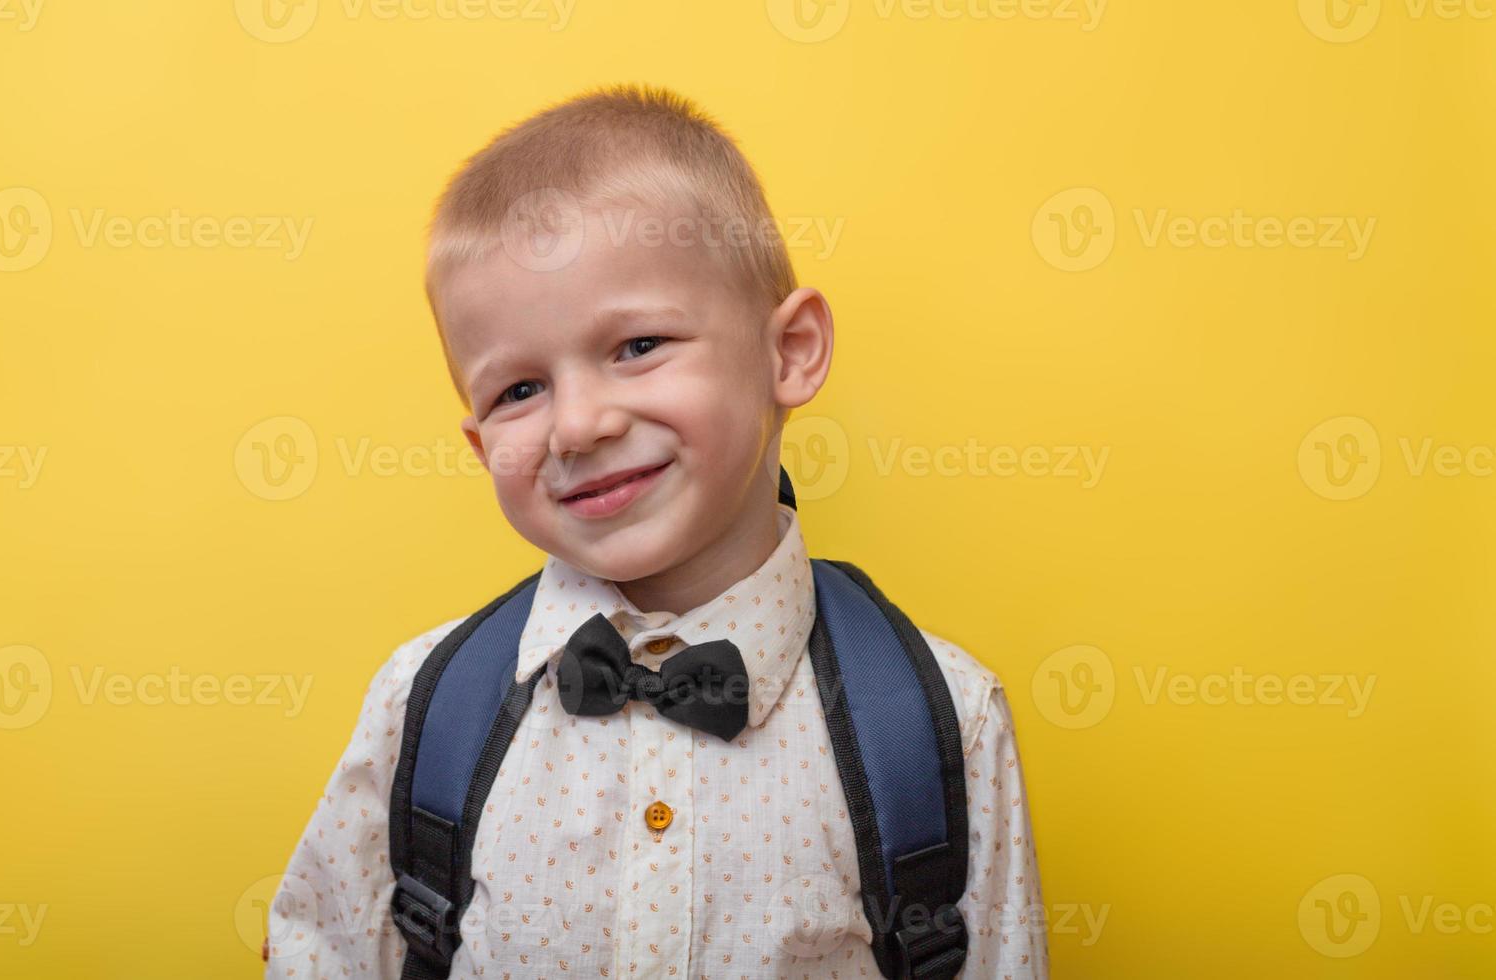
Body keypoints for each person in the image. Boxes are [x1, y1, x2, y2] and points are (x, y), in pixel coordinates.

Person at [268, 82, 1047, 979]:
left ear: (788, 352)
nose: (577, 426)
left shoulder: (945, 716)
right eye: (518, 390)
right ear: (482, 448)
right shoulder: (422, 704)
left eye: (636, 346)